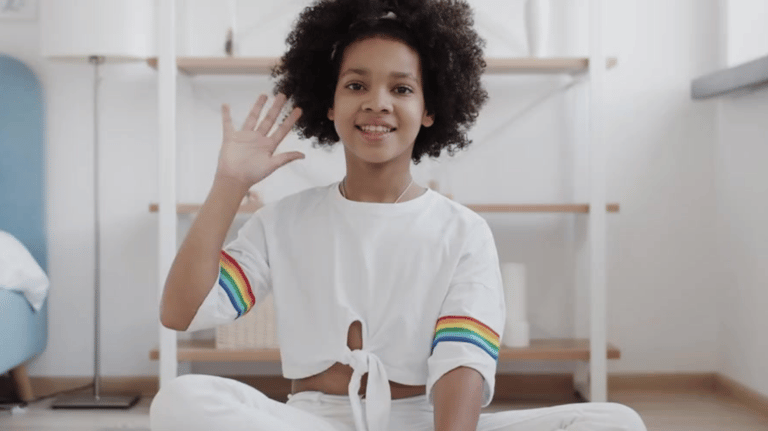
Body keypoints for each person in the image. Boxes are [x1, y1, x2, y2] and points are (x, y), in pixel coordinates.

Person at [150, 0, 648, 430]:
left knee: (615, 422)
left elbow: (462, 362)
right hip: (310, 419)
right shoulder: (284, 220)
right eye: (356, 86)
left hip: (427, 421)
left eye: (402, 89)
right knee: (181, 402)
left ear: (431, 109)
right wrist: (230, 185)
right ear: (330, 102)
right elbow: (181, 312)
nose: (377, 104)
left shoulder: (463, 231)